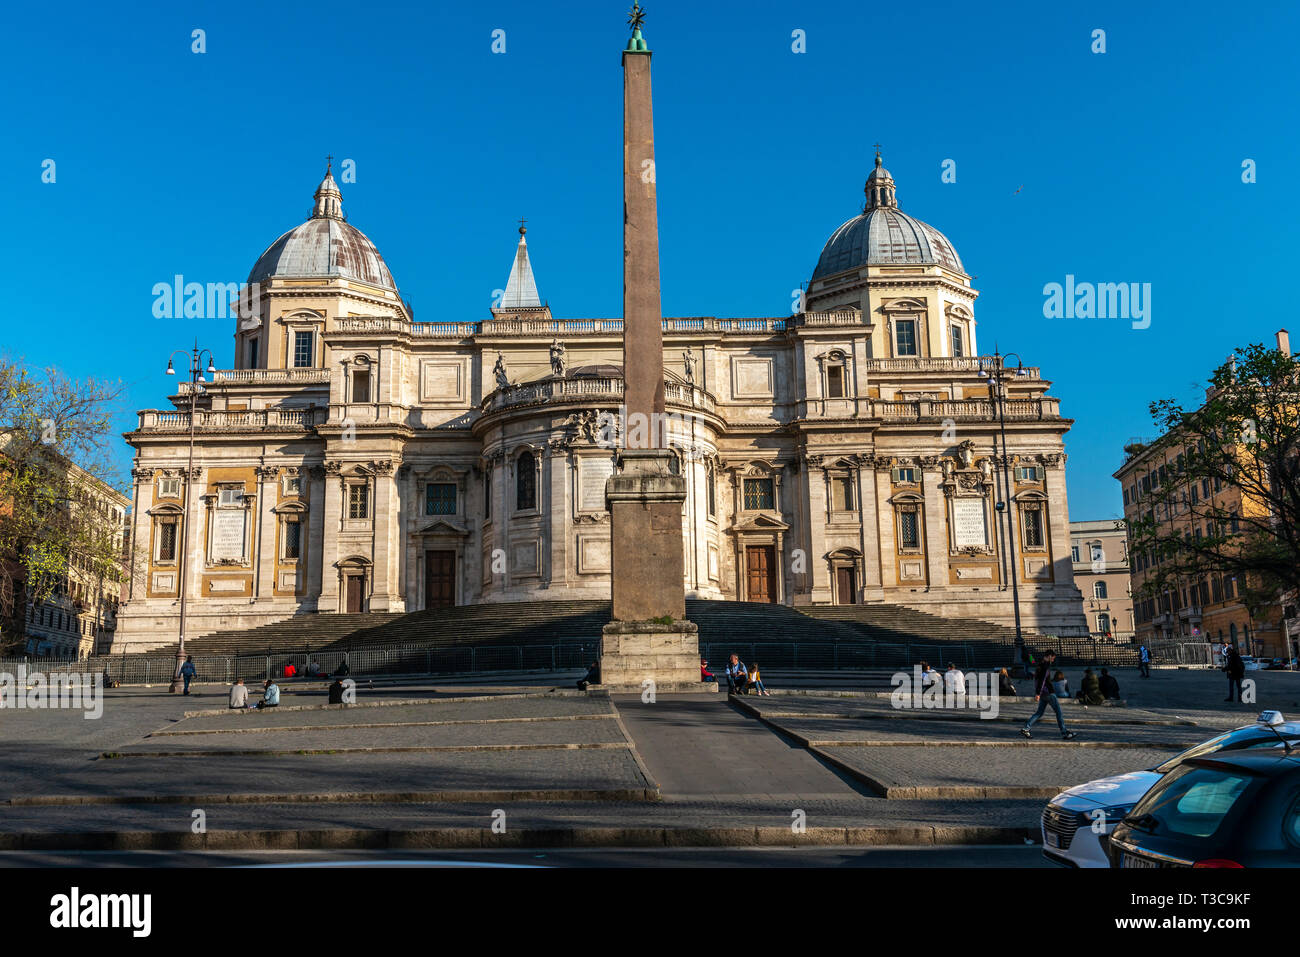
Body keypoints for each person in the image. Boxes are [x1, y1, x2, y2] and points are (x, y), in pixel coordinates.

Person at [1019, 650, 1077, 740]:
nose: (1053, 660)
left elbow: (1033, 663)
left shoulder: (1039, 663)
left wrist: (1030, 655)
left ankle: (1026, 728)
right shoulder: (1045, 666)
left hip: (1043, 693)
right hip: (1048, 693)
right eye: (1053, 658)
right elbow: (1042, 680)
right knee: (1058, 713)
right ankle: (1064, 732)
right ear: (1049, 656)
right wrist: (1038, 693)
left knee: (1039, 713)